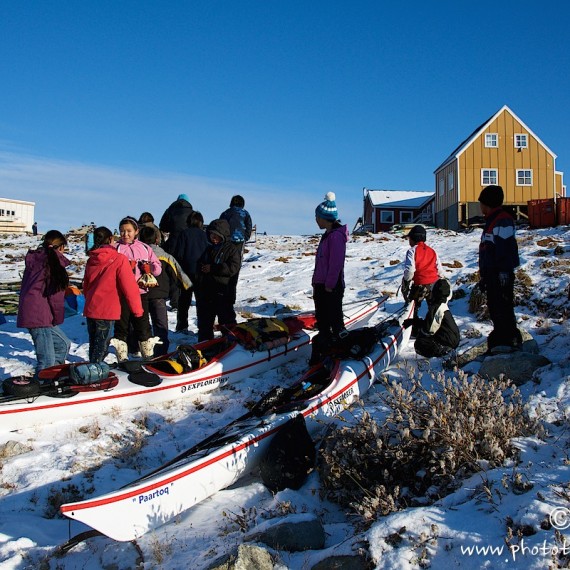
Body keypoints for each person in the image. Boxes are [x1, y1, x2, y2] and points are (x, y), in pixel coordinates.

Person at [83, 227, 144, 363]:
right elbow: (129, 287)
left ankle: (92, 368)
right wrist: (137, 310)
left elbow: (86, 286)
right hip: (106, 309)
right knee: (102, 347)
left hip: (91, 307)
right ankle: (95, 373)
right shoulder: (119, 259)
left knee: (94, 344)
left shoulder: (91, 259)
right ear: (110, 239)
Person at [17, 230, 71, 377]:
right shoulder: (52, 265)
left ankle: (55, 376)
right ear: (61, 248)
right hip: (39, 316)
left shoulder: (36, 260)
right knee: (46, 361)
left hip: (37, 313)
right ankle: (43, 383)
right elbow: (56, 298)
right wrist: (57, 318)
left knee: (62, 344)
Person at [109, 216, 162, 361]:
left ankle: (148, 356)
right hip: (121, 294)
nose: (125, 234)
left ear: (136, 231)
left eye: (128, 231)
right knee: (122, 326)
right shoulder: (115, 248)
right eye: (122, 231)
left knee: (143, 325)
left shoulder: (145, 248)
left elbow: (158, 269)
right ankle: (122, 358)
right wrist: (124, 268)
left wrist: (149, 268)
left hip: (140, 293)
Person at [478, 184, 522, 352]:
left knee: (503, 307)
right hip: (491, 273)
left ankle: (509, 341)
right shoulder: (491, 221)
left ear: (488, 203)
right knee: (495, 307)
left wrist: (504, 271)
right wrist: (484, 277)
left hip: (499, 273)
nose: (480, 206)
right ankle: (501, 340)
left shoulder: (502, 220)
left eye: (481, 202)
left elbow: (504, 248)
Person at [139, 225, 192, 355]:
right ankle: (161, 351)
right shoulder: (165, 256)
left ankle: (140, 349)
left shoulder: (137, 255)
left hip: (140, 294)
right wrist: (188, 286)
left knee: (141, 323)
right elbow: (179, 273)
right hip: (159, 295)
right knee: (160, 324)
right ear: (157, 240)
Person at [310, 192, 348, 365]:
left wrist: (329, 284)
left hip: (330, 287)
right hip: (321, 285)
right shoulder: (327, 235)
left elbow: (336, 263)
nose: (316, 220)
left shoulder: (336, 237)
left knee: (334, 320)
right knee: (323, 322)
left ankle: (340, 352)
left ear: (325, 218)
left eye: (317, 217)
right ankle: (324, 353)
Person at [193, 219, 241, 341]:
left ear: (223, 235)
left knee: (227, 323)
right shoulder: (208, 249)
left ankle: (232, 346)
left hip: (224, 293)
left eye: (216, 235)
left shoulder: (232, 249)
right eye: (211, 235)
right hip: (206, 293)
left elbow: (233, 268)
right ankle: (204, 346)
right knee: (204, 324)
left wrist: (213, 268)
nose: (213, 238)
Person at [401, 224, 445, 331]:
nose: (408, 241)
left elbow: (410, 270)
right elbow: (439, 269)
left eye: (409, 238)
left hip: (420, 284)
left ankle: (413, 329)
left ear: (413, 238)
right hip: (433, 284)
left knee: (412, 308)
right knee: (434, 308)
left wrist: (406, 282)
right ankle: (435, 329)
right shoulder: (432, 251)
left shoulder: (412, 251)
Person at [171, 211, 209, 333]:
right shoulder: (204, 235)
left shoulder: (184, 234)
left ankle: (182, 325)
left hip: (186, 272)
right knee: (201, 301)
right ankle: (203, 325)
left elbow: (179, 254)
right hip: (201, 273)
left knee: (184, 300)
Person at [406, 278, 460, 358]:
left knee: (420, 344)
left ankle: (442, 354)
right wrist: (414, 322)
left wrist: (416, 327)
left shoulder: (437, 307)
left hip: (448, 342)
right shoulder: (442, 305)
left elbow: (429, 329)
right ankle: (444, 350)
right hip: (451, 339)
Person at [219, 195, 253, 306]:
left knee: (225, 266)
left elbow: (220, 226)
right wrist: (245, 238)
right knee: (235, 268)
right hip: (239, 243)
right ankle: (231, 298)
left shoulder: (225, 213)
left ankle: (223, 295)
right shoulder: (245, 213)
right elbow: (249, 227)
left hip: (226, 243)